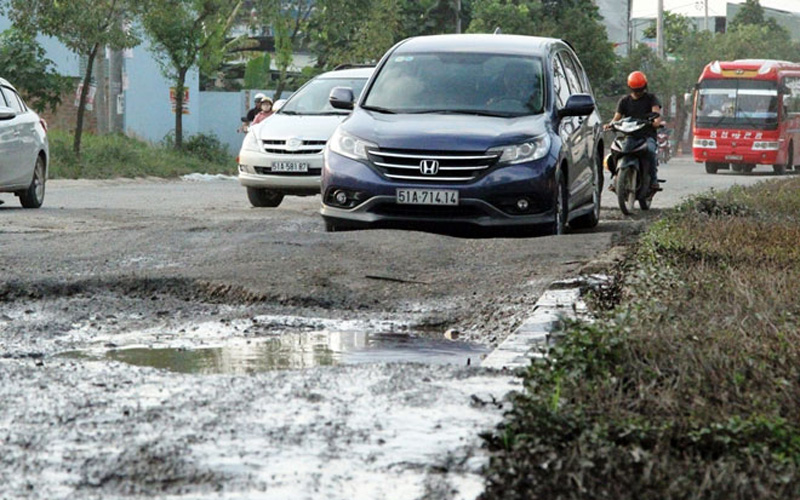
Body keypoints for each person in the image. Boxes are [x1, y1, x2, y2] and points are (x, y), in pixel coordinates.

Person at [605, 70, 663, 192]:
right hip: (629, 136)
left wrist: (655, 122)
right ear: (630, 88)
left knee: (651, 151)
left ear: (645, 87)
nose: (638, 92)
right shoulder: (624, 101)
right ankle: (616, 177)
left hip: (647, 136)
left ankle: (653, 180)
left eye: (640, 89)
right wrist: (610, 125)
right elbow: (617, 117)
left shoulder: (651, 99)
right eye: (635, 89)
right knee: (614, 150)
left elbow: (656, 114)